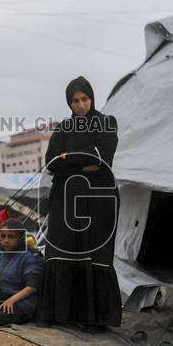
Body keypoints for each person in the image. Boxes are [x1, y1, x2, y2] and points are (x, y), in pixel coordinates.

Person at [37, 76, 122, 330]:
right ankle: (59, 315)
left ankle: (94, 319)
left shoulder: (106, 122)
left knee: (94, 251)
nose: (81, 104)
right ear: (69, 103)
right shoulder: (63, 128)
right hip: (65, 197)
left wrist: (69, 158)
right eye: (75, 100)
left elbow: (102, 157)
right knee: (62, 249)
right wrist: (79, 161)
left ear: (92, 98)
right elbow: (51, 162)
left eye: (85, 99)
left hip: (98, 198)